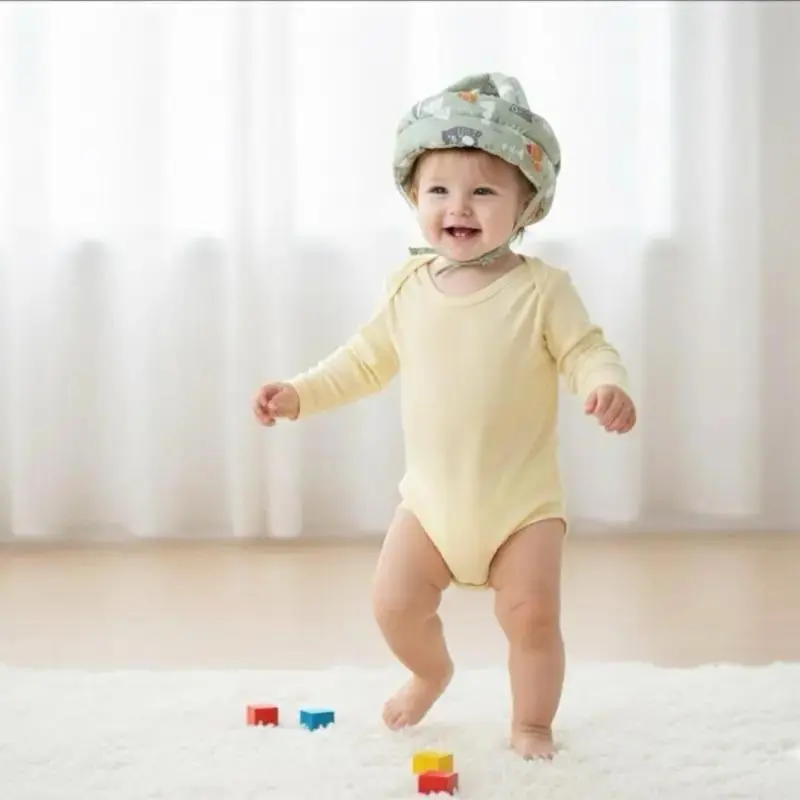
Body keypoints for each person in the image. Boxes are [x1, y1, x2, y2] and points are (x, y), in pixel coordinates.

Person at [253, 72, 636, 760]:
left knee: (532, 618)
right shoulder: (407, 287)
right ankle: (430, 673)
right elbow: (362, 361)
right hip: (430, 505)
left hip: (522, 506)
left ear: (527, 204)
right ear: (414, 197)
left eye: (483, 192)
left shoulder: (543, 291)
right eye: (438, 191)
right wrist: (300, 393)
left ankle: (532, 724)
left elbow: (586, 349)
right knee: (393, 604)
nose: (457, 206)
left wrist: (605, 383)